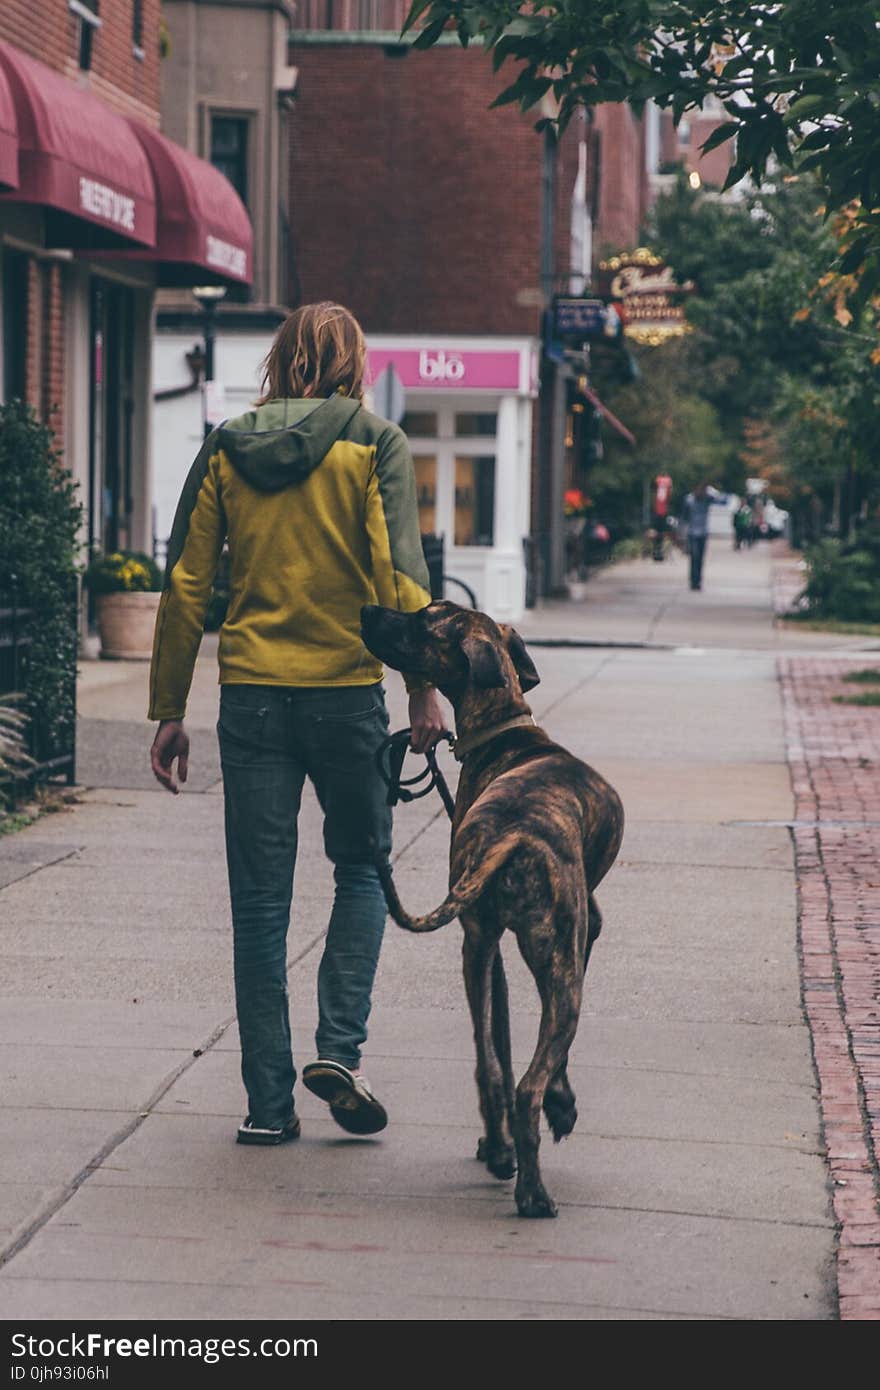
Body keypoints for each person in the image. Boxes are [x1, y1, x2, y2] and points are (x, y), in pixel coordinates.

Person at [148, 302, 445, 1146]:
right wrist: (423, 686)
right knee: (361, 868)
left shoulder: (227, 446)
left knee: (259, 905)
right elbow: (400, 575)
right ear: (353, 362)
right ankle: (339, 1053)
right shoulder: (374, 444)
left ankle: (267, 1108)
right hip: (348, 696)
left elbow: (187, 584)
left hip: (251, 700)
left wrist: (170, 706)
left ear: (283, 360)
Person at [681, 481, 728, 590]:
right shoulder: (689, 500)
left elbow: (723, 501)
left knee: (700, 559)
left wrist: (713, 492)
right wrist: (682, 534)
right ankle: (693, 580)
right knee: (694, 557)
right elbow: (684, 517)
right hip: (692, 533)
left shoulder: (707, 500)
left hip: (703, 533)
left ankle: (698, 581)